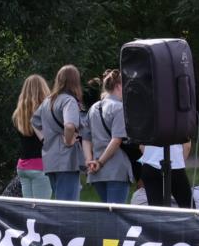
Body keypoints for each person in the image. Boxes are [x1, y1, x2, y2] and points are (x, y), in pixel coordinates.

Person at [32, 65, 85, 201]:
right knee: (68, 205)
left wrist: (44, 139)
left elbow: (34, 122)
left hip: (50, 158)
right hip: (66, 160)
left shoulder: (47, 101)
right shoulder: (69, 100)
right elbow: (69, 125)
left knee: (59, 201)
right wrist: (68, 141)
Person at [83, 69, 132, 203]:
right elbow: (116, 140)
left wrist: (89, 160)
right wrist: (100, 162)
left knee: (107, 213)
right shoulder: (119, 108)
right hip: (115, 168)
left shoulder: (93, 108)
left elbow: (86, 138)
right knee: (116, 214)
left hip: (96, 171)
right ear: (118, 86)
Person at [11, 74, 51, 199]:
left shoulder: (19, 114)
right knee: (41, 209)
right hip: (40, 165)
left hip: (22, 166)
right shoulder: (46, 112)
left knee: (29, 208)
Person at [137, 143, 192, 208]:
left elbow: (141, 146)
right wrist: (180, 161)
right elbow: (187, 146)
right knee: (188, 207)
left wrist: (152, 157)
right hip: (175, 165)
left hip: (149, 165)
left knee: (156, 208)